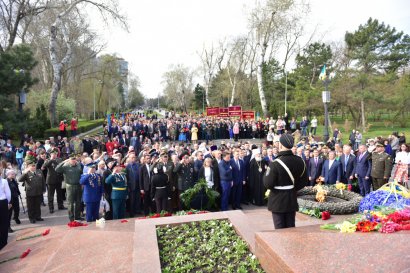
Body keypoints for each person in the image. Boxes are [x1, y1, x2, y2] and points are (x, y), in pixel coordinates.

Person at [264, 134, 308, 229]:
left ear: (280, 145)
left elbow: (268, 183)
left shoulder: (275, 163)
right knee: (291, 227)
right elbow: (304, 181)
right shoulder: (300, 161)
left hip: (277, 200)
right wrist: (292, 188)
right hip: (291, 198)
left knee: (279, 229)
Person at [56, 156, 83, 222]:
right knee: (70, 203)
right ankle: (71, 218)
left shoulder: (79, 165)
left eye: (74, 159)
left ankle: (77, 217)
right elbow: (57, 169)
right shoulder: (66, 166)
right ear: (69, 160)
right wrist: (63, 162)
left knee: (78, 202)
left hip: (78, 185)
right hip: (70, 186)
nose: (74, 161)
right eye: (72, 159)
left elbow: (82, 173)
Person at [0, 176, 11, 250]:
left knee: (4, 223)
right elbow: (8, 194)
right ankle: (4, 243)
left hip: (2, 202)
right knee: (4, 223)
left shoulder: (4, 181)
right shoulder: (4, 181)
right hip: (3, 202)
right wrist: (8, 203)